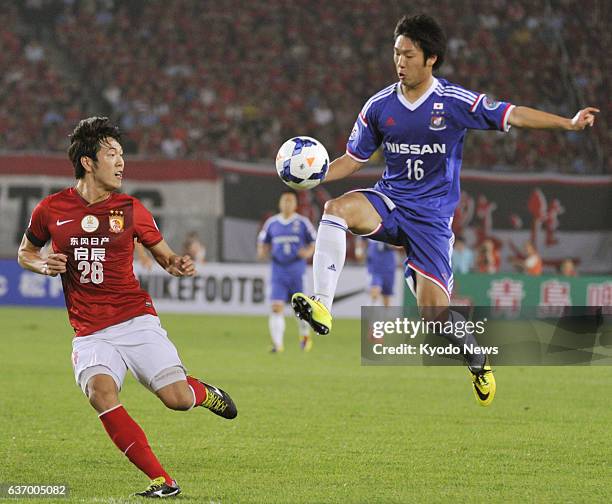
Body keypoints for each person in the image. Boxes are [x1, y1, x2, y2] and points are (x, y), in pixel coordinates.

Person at [291, 14, 598, 407]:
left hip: (433, 222)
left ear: (431, 58)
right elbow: (353, 159)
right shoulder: (379, 106)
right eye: (396, 54)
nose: (400, 62)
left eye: (409, 54)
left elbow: (513, 114)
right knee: (335, 209)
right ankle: (323, 304)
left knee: (434, 318)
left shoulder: (453, 102)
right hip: (390, 202)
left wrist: (569, 124)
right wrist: (314, 177)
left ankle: (479, 361)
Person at [17, 117, 237, 498]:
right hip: (89, 331)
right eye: (112, 154)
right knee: (100, 393)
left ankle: (202, 392)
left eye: (122, 155)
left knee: (177, 399)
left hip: (135, 321)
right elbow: (27, 251)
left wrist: (177, 264)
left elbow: (166, 257)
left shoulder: (131, 209)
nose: (121, 163)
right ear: (88, 162)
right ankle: (162, 480)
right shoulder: (51, 209)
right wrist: (41, 264)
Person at [257, 191, 316, 352]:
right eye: (285, 200)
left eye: (290, 201)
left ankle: (304, 335)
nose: (287, 204)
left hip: (297, 271)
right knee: (276, 307)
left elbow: (314, 242)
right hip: (278, 271)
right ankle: (277, 344)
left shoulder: (302, 222)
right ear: (280, 203)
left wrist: (308, 252)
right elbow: (263, 241)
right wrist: (262, 250)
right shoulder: (272, 223)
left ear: (296, 204)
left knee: (301, 309)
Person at [355, 238, 398, 306]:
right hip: (375, 265)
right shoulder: (371, 229)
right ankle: (371, 312)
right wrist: (359, 251)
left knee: (387, 296)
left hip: (389, 265)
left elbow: (400, 244)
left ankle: (386, 315)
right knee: (375, 290)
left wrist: (393, 245)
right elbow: (362, 239)